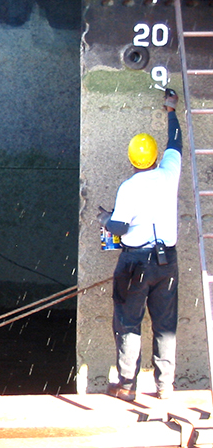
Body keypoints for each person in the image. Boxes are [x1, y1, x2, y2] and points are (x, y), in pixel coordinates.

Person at [98, 88, 181, 401]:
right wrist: (171, 111)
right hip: (166, 262)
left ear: (131, 160)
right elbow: (177, 143)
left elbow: (119, 227)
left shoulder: (129, 187)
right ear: (156, 158)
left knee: (128, 321)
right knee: (165, 324)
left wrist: (105, 218)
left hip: (134, 263)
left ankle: (127, 385)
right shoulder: (170, 173)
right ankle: (165, 387)